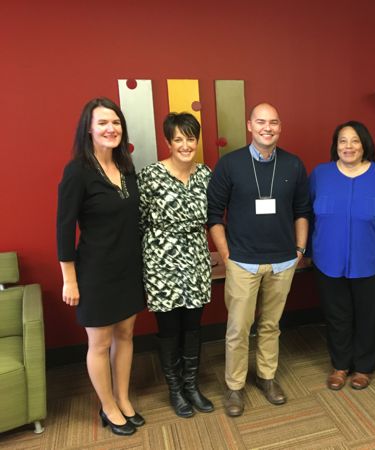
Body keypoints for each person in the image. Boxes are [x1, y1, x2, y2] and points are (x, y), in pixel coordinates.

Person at [207, 103, 311, 417]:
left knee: (271, 325)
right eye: (261, 122)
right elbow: (214, 215)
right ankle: (234, 386)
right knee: (238, 328)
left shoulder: (293, 165)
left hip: (282, 262)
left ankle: (267, 378)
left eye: (274, 122)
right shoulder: (230, 164)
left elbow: (302, 211)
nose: (268, 127)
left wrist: (299, 250)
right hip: (243, 262)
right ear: (250, 125)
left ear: (281, 127)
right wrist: (227, 255)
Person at [57, 98, 146, 436]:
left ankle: (123, 399)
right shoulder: (78, 170)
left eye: (116, 123)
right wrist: (70, 279)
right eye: (103, 123)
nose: (111, 129)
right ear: (89, 129)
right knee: (99, 343)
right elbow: (64, 227)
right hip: (94, 272)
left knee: (125, 335)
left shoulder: (126, 166)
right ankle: (107, 407)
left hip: (128, 267)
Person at [309, 121, 375, 391]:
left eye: (355, 141)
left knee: (369, 315)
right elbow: (307, 214)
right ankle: (340, 365)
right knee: (337, 315)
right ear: (335, 146)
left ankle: (364, 367)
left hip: (371, 261)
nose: (348, 146)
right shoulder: (320, 175)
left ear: (365, 145)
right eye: (343, 141)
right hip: (328, 259)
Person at [137, 113, 214, 418]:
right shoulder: (151, 175)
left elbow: (213, 219)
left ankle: (192, 386)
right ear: (167, 142)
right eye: (178, 139)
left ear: (197, 140)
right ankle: (175, 390)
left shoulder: (206, 175)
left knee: (193, 325)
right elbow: (140, 222)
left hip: (196, 260)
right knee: (169, 328)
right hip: (161, 264)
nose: (185, 145)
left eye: (190, 138)